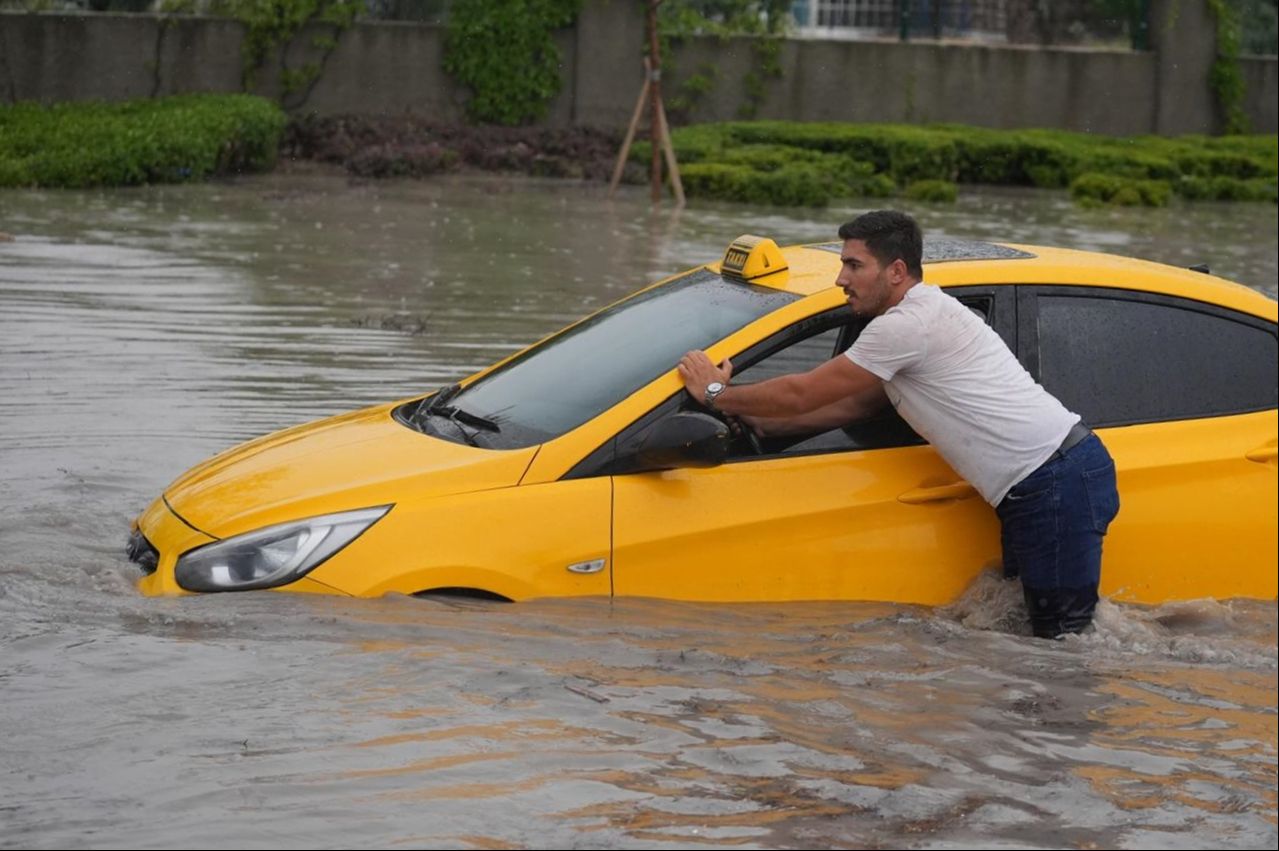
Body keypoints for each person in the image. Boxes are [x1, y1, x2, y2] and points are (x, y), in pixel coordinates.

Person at [678, 210, 1119, 638]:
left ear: (896, 271)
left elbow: (803, 392)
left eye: (854, 265)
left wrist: (716, 392)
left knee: (1063, 644)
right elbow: (853, 406)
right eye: (841, 264)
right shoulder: (919, 319)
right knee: (1033, 634)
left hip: (1054, 479)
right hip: (1045, 481)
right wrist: (759, 424)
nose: (840, 279)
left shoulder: (907, 326)